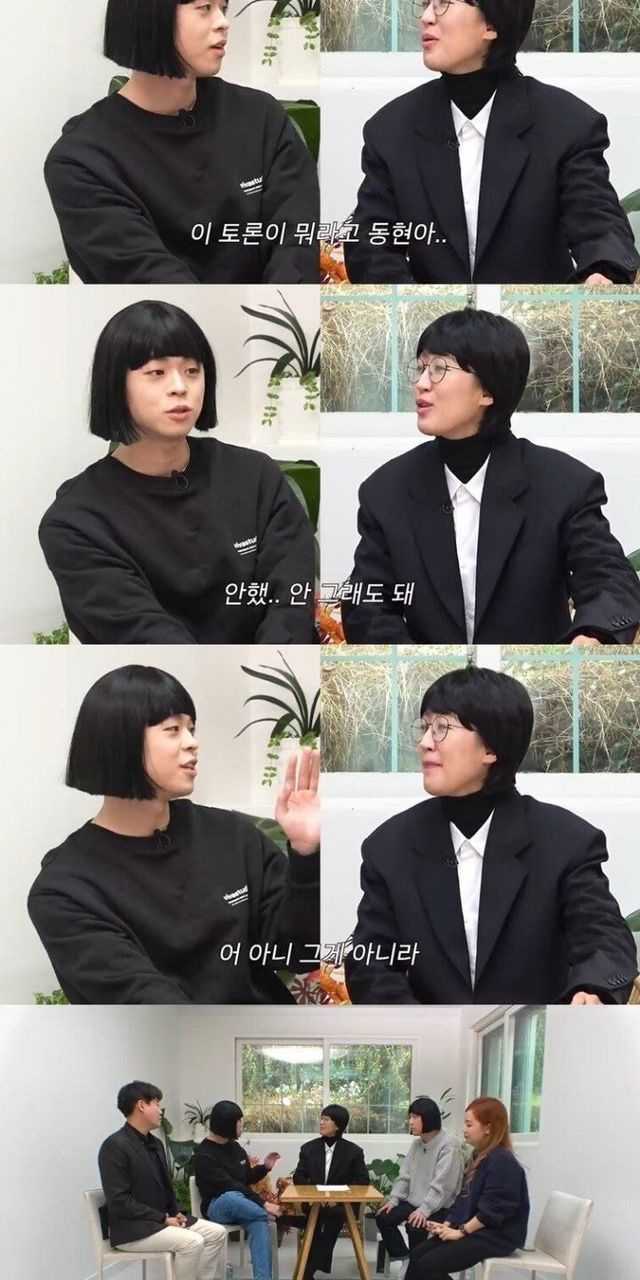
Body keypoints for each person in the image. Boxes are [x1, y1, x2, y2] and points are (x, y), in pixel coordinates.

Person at [341, 308, 640, 644]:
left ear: (487, 390)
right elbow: (367, 603)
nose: (421, 383)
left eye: (439, 369)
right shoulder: (386, 490)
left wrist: (593, 633)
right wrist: (414, 664)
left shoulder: (564, 484)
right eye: (421, 367)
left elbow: (608, 577)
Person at [344, 666, 637, 1006]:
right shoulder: (389, 846)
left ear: (491, 748)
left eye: (442, 728)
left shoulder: (565, 841)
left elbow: (605, 940)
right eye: (424, 727)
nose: (424, 743)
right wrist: (421, 1028)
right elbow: (371, 962)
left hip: (537, 1035)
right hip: (428, 1036)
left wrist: (593, 990)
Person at [27, 664, 320, 1003]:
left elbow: (300, 953)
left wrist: (306, 853)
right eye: (173, 729)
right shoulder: (65, 890)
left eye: (191, 728)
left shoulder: (234, 836)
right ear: (119, 739)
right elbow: (149, 1007)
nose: (192, 743)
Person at [39, 299, 316, 644]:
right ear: (114, 385)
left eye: (192, 371)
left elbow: (290, 598)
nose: (180, 387)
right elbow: (143, 635)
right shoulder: (75, 521)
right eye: (156, 373)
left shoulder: (255, 475)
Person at [344, 0, 640, 284]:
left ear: (492, 25)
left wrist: (603, 271)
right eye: (425, 4)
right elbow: (370, 246)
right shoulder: (391, 130)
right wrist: (417, 305)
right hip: (432, 317)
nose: (426, 17)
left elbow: (597, 222)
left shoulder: (567, 125)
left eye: (443, 3)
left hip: (531, 314)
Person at [44, 0, 318, 283]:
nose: (223, 22)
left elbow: (296, 239)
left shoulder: (260, 116)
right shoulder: (82, 159)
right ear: (148, 15)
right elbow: (149, 280)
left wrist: (282, 304)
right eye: (205, 7)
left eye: (223, 8)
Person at [98, 1081, 227, 1280]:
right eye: (156, 1104)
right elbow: (119, 1201)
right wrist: (163, 1218)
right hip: (133, 1229)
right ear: (141, 1106)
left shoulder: (156, 1143)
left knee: (217, 1232)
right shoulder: (114, 1146)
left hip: (161, 1221)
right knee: (192, 1242)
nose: (160, 1111)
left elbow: (166, 1187)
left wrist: (177, 1212)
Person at [404, 1098, 529, 1280]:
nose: (464, 1129)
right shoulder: (479, 1157)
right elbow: (463, 1199)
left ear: (488, 1128)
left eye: (469, 1125)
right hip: (478, 1230)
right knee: (417, 1255)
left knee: (428, 1265)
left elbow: (493, 1211)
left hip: (496, 1236)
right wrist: (447, 1225)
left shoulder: (501, 1160)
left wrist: (461, 1232)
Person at [195, 1101, 281, 1280]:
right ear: (227, 1124)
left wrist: (264, 1167)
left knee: (259, 1223)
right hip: (218, 1207)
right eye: (239, 1121)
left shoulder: (235, 1148)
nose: (242, 1125)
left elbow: (246, 1178)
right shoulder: (204, 1154)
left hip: (246, 1208)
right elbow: (231, 1185)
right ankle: (267, 1213)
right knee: (232, 1196)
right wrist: (264, 1204)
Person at [376, 1097, 463, 1266]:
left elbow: (443, 1186)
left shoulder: (449, 1145)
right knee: (383, 1217)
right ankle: (406, 1258)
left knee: (415, 1227)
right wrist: (394, 1199)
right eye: (410, 1117)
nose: (410, 1122)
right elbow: (405, 1175)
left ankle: (418, 1266)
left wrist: (424, 1210)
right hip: (415, 1201)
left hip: (440, 1206)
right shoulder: (417, 1145)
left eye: (415, 1117)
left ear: (428, 1118)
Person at [289, 1105, 371, 1280]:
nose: (321, 1122)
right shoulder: (308, 1149)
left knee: (332, 1214)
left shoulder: (354, 1152)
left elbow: (363, 1182)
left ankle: (307, 1272)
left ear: (338, 1125)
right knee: (319, 1216)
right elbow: (299, 1177)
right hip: (315, 1202)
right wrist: (314, 1197)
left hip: (342, 1205)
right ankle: (310, 1270)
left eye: (326, 1119)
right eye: (321, 1118)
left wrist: (339, 1199)